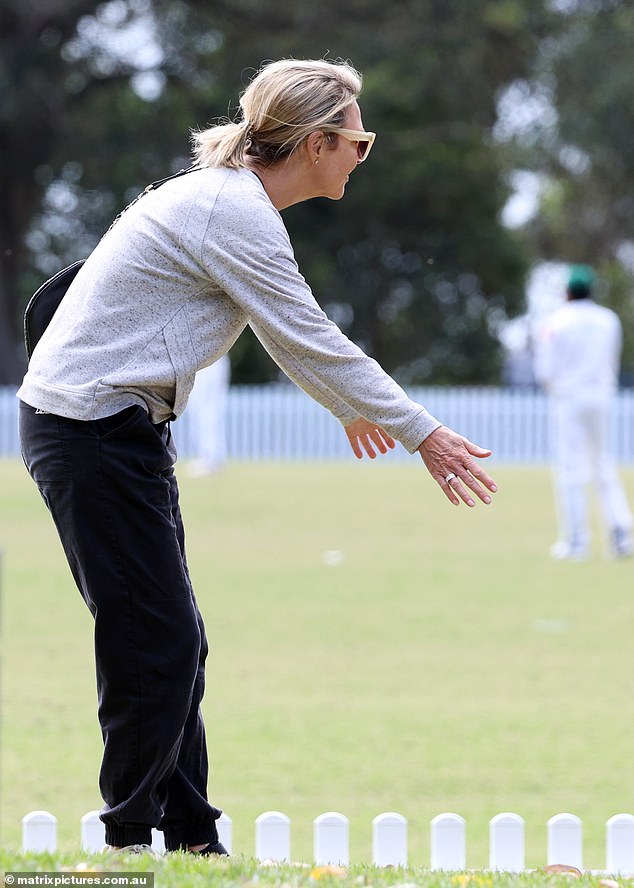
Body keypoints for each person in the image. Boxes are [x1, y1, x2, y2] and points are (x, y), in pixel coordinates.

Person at [17, 58, 497, 856]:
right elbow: (306, 333)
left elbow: (286, 336)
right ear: (315, 142)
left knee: (172, 641)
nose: (362, 156)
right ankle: (128, 844)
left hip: (111, 430)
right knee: (156, 641)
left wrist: (349, 405)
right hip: (92, 429)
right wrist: (424, 432)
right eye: (360, 141)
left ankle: (194, 838)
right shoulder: (229, 211)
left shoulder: (221, 201)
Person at [534, 263, 633, 560]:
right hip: (601, 395)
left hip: (568, 398)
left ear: (567, 291)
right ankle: (621, 535)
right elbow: (612, 360)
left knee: (570, 467)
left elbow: (545, 370)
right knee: (602, 462)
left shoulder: (555, 322)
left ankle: (577, 541)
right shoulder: (608, 320)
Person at [186, 353, 230, 476]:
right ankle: (208, 456)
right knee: (199, 409)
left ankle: (211, 458)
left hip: (209, 357)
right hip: (200, 358)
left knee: (207, 411)